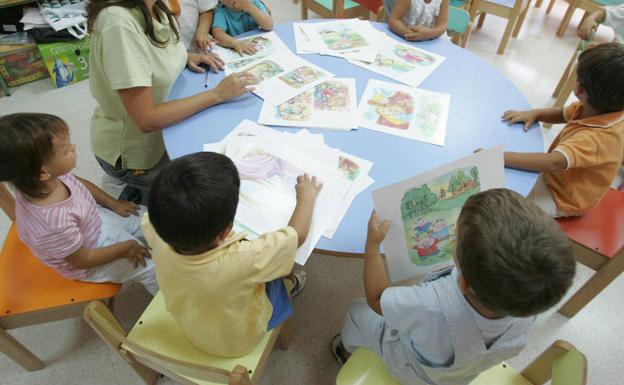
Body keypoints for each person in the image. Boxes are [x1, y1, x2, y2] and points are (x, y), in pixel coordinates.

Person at [332, 189, 575, 385]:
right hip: (458, 377)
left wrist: (372, 247)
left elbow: (376, 299)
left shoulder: (429, 304)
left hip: (410, 370)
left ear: (464, 280)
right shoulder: (531, 294)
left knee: (357, 310)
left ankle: (346, 350)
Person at [142, 152, 321, 357]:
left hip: (191, 326)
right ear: (225, 231)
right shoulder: (245, 258)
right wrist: (307, 197)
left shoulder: (153, 228)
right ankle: (291, 287)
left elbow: (147, 219)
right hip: (238, 341)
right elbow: (297, 235)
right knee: (277, 274)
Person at [87, 0, 258, 205]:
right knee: (206, 200)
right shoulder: (118, 22)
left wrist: (184, 57)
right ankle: (127, 192)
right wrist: (217, 95)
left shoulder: (156, 5)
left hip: (166, 131)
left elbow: (155, 52)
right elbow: (146, 119)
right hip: (138, 156)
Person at [0, 113, 158, 294]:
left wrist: (113, 203)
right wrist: (126, 248)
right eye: (66, 151)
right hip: (92, 256)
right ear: (42, 172)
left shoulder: (44, 179)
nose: (74, 148)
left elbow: (79, 184)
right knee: (152, 269)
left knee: (149, 219)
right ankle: (175, 300)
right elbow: (82, 259)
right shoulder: (51, 224)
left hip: (93, 220)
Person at [501, 43, 624, 217]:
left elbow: (553, 162)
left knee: (506, 210)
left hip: (563, 197)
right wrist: (535, 113)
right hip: (560, 177)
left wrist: (501, 156)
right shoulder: (601, 108)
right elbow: (562, 113)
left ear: (579, 88)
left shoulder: (596, 138)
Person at [385, 0, 450, 42]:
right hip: (406, 38)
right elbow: (394, 20)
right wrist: (411, 35)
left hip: (433, 40)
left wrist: (430, 34)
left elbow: (443, 25)